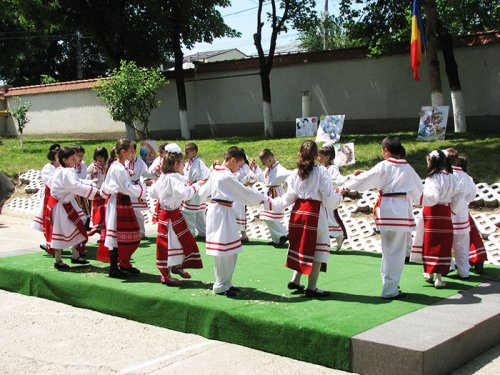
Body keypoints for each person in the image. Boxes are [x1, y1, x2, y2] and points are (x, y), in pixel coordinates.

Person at [344, 136, 423, 299]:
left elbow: (368, 179)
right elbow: (420, 193)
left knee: (388, 250)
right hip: (400, 209)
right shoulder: (407, 168)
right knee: (397, 251)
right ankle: (390, 288)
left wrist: (346, 184)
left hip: (385, 209)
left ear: (386, 151)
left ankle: (389, 284)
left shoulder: (383, 166)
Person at [270, 140, 342, 298]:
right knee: (318, 249)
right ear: (316, 156)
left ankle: (295, 279)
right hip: (314, 213)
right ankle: (312, 287)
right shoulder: (321, 171)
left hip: (298, 212)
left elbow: (289, 197)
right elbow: (327, 196)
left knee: (302, 246)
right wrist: (339, 198)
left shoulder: (295, 173)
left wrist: (273, 204)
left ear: (299, 154)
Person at [200, 146, 268, 296]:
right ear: (232, 160)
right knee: (223, 251)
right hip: (220, 212)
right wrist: (263, 198)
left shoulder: (216, 172)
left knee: (230, 250)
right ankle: (220, 284)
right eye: (238, 165)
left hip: (221, 211)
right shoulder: (225, 176)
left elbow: (203, 192)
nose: (238, 169)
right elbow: (243, 192)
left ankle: (226, 282)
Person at [150, 143, 205, 286]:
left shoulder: (165, 177)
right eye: (182, 163)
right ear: (176, 164)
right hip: (170, 216)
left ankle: (175, 266)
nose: (184, 165)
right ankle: (166, 275)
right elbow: (185, 194)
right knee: (169, 244)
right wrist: (198, 184)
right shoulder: (172, 178)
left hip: (172, 215)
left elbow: (153, 192)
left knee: (179, 241)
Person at [410, 150, 464, 289]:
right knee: (443, 242)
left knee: (429, 241)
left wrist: (418, 199)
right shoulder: (453, 177)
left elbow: (432, 196)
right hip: (445, 212)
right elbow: (460, 195)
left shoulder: (433, 178)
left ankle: (431, 273)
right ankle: (438, 275)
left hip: (432, 211)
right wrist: (452, 209)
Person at [97, 139, 146, 279]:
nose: (134, 153)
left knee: (127, 234)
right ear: (123, 152)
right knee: (118, 235)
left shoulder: (118, 165)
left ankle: (123, 263)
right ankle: (114, 268)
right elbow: (126, 188)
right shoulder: (118, 167)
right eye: (131, 150)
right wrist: (142, 187)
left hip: (120, 201)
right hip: (118, 202)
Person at [44, 147, 99, 269]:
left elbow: (76, 182)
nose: (76, 160)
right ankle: (58, 260)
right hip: (60, 206)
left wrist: (89, 183)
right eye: (72, 158)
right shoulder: (66, 172)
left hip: (65, 204)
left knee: (79, 224)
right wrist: (96, 192)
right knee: (61, 230)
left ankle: (75, 254)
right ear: (64, 159)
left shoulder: (64, 170)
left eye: (76, 157)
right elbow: (75, 186)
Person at [457, 155, 488, 274]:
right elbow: (471, 196)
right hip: (464, 210)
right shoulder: (468, 178)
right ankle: (477, 257)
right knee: (472, 235)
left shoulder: (452, 177)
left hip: (453, 210)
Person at [254, 148, 290, 247]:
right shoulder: (268, 169)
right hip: (268, 194)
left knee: (269, 217)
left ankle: (283, 235)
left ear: (270, 160)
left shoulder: (280, 169)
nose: (263, 165)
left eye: (263, 162)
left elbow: (290, 175)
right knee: (267, 216)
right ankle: (277, 239)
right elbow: (263, 179)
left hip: (275, 195)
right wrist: (256, 168)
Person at [317, 142, 347, 250]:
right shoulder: (320, 168)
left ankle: (340, 234)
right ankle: (332, 236)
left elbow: (337, 179)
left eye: (320, 156)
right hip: (322, 196)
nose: (318, 158)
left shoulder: (332, 168)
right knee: (324, 217)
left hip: (330, 195)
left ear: (327, 157)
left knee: (332, 215)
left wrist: (346, 180)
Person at [32, 143, 60, 254]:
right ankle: (47, 242)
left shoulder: (63, 168)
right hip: (50, 200)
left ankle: (54, 243)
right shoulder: (48, 168)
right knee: (49, 222)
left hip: (61, 199)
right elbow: (52, 184)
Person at [182, 143, 210, 240]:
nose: (185, 154)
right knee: (198, 212)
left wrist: (200, 182)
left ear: (194, 152)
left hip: (196, 189)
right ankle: (203, 232)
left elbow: (207, 174)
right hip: (192, 187)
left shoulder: (198, 162)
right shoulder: (188, 163)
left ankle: (191, 234)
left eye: (187, 152)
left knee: (189, 212)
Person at [125, 143, 152, 238]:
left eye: (133, 151)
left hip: (136, 188)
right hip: (127, 188)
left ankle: (141, 232)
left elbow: (145, 173)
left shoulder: (140, 162)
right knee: (128, 212)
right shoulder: (123, 162)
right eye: (129, 151)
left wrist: (153, 175)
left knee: (138, 212)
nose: (131, 153)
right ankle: (130, 232)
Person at [233, 149, 257, 243]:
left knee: (240, 213)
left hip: (240, 194)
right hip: (233, 193)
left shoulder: (245, 166)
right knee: (233, 213)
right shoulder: (236, 167)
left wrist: (246, 181)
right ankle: (236, 235)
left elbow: (251, 177)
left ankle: (244, 235)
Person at [86, 146, 109, 236]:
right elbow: (88, 180)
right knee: (99, 212)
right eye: (98, 156)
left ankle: (106, 230)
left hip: (106, 191)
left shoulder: (108, 165)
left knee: (106, 211)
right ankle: (100, 230)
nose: (100, 159)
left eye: (102, 156)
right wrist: (94, 175)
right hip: (97, 192)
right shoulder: (92, 167)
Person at [73, 145, 92, 230]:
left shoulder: (83, 164)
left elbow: (83, 177)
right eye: (78, 155)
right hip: (73, 192)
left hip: (82, 191)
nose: (81, 158)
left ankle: (84, 226)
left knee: (85, 210)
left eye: (82, 155)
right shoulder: (70, 166)